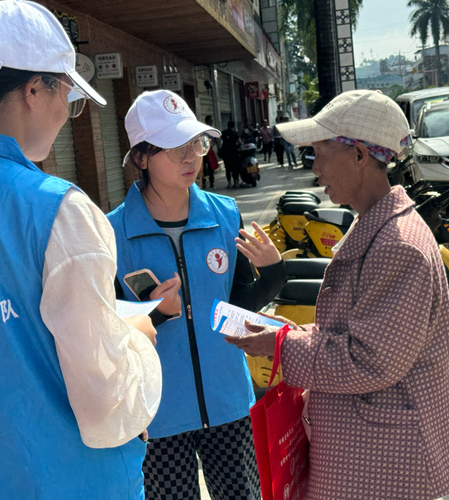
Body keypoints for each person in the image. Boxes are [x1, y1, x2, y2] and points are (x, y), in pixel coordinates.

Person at [0, 2, 162, 499]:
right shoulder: (56, 210)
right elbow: (106, 404)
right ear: (34, 90)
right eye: (68, 94)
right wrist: (134, 339)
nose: (67, 111)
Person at [226, 90, 449, 500]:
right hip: (373, 448)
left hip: (384, 459)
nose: (315, 168)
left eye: (320, 153)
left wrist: (280, 346)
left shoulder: (398, 245)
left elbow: (369, 360)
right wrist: (295, 332)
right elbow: (361, 332)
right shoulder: (381, 226)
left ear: (360, 156)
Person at [107, 89, 287, 500]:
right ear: (141, 156)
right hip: (157, 414)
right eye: (175, 147)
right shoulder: (111, 233)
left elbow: (237, 308)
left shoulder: (224, 214)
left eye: (197, 143)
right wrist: (156, 314)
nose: (192, 157)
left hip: (229, 403)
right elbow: (105, 330)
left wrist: (274, 274)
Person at [219, 120, 241, 188]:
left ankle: (229, 183)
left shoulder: (223, 133)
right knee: (235, 168)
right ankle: (236, 182)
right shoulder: (235, 133)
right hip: (234, 152)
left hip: (226, 153)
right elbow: (239, 142)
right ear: (233, 126)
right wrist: (237, 146)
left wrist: (220, 148)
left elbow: (218, 140)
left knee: (228, 168)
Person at [201, 115, 217, 189]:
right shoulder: (202, 130)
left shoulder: (212, 130)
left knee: (211, 167)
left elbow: (216, 140)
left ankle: (211, 182)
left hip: (209, 151)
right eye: (211, 121)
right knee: (203, 167)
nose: (211, 122)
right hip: (203, 151)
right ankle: (204, 182)